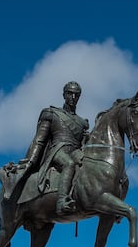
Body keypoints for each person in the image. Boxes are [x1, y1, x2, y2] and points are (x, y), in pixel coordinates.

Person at [15, 81, 89, 214]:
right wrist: (30, 161)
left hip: (76, 151)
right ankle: (61, 201)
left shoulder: (82, 122)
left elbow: (83, 144)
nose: (73, 97)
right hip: (58, 150)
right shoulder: (51, 113)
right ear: (64, 95)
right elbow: (39, 140)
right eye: (70, 93)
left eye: (76, 95)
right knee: (69, 164)